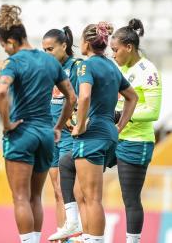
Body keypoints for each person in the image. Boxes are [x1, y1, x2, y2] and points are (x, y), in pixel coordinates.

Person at [0, 4, 77, 243]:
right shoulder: (50, 61)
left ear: (10, 42)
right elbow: (71, 97)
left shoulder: (14, 62)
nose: (6, 51)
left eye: (4, 47)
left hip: (22, 133)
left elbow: (1, 93)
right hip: (46, 134)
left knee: (20, 197)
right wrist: (59, 126)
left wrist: (6, 123)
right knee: (36, 197)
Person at [71, 22, 138, 243]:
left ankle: (94, 240)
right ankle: (87, 237)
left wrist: (79, 125)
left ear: (86, 43)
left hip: (92, 134)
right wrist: (119, 126)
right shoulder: (111, 66)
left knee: (92, 198)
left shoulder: (85, 65)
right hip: (108, 132)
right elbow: (132, 97)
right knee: (80, 192)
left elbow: (84, 96)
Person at [110, 19, 162, 243]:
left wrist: (120, 116)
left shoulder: (148, 71)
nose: (113, 55)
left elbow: (153, 111)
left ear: (129, 47)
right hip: (115, 137)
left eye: (115, 50)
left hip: (137, 141)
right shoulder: (120, 68)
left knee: (130, 198)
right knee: (71, 166)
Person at [41, 27, 84, 241]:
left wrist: (72, 118)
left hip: (68, 134)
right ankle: (63, 234)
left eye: (50, 49)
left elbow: (82, 98)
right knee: (57, 189)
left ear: (64, 46)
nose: (47, 53)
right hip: (50, 135)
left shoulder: (76, 68)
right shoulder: (46, 70)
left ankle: (79, 233)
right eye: (44, 49)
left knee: (71, 188)